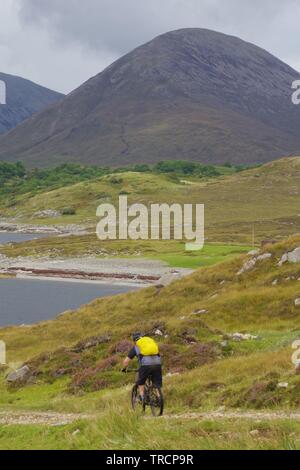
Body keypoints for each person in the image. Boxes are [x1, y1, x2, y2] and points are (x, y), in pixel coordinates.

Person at [122, 332, 162, 402]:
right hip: (157, 364)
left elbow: (126, 361)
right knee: (156, 383)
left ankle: (142, 396)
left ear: (134, 341)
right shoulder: (150, 343)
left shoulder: (136, 347)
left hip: (145, 365)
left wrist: (124, 368)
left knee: (141, 381)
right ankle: (159, 398)